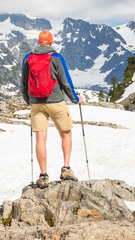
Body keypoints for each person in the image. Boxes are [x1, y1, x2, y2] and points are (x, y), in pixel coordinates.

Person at [21, 30, 83, 189]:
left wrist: (30, 101)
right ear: (51, 42)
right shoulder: (56, 57)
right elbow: (65, 82)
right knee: (66, 134)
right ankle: (66, 169)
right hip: (56, 102)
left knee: (41, 139)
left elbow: (24, 84)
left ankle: (43, 176)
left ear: (38, 41)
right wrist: (75, 99)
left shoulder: (28, 58)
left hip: (36, 103)